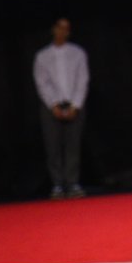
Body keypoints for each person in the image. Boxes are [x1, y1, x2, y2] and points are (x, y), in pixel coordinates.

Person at [33, 17, 89, 200]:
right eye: (59, 28)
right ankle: (57, 184)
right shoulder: (43, 56)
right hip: (51, 106)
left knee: (73, 145)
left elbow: (82, 79)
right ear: (53, 29)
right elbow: (41, 82)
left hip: (74, 103)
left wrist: (75, 105)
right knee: (53, 145)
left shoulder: (77, 53)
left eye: (66, 28)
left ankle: (72, 182)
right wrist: (53, 104)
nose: (62, 31)